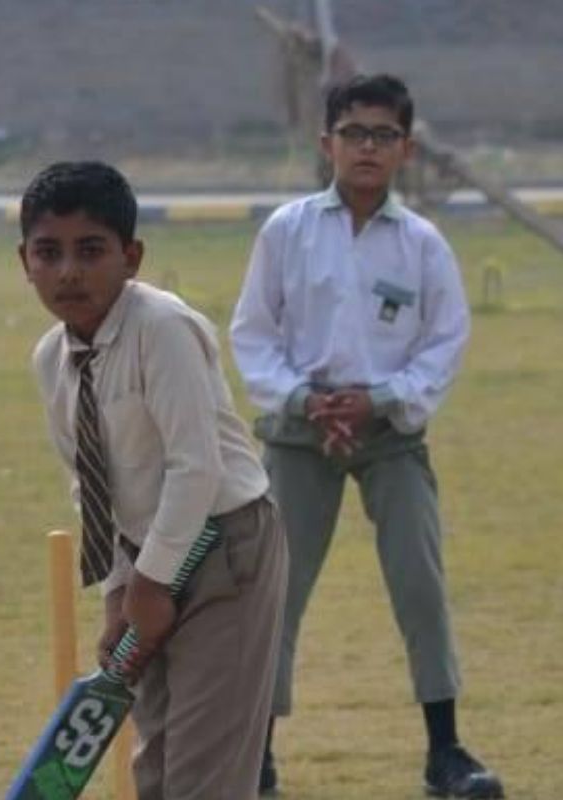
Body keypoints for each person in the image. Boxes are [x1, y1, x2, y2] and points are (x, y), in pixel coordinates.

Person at [229, 74, 505, 799]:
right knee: (274, 595)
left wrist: (382, 399)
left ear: (406, 150)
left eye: (384, 135)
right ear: (328, 143)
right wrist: (303, 399)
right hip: (300, 434)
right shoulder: (287, 230)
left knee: (420, 585)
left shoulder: (422, 244)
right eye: (354, 133)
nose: (368, 148)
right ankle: (256, 757)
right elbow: (253, 333)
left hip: (390, 435)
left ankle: (445, 752)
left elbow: (444, 342)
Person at [19, 161, 289, 800]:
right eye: (48, 253)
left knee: (205, 771)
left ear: (131, 256)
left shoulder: (161, 328)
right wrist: (121, 589)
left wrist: (149, 583)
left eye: (91, 251)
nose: (69, 272)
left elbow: (197, 468)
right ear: (24, 262)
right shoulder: (52, 358)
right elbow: (92, 485)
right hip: (146, 560)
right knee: (157, 767)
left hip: (226, 547)